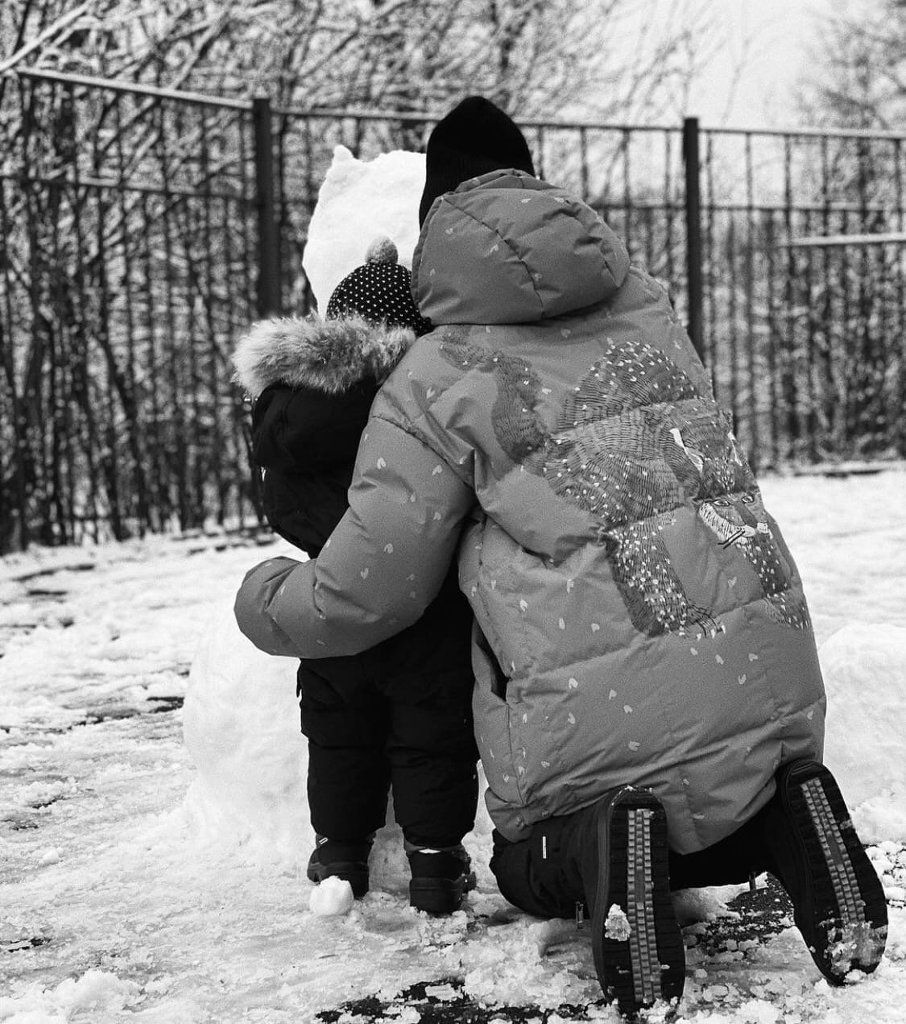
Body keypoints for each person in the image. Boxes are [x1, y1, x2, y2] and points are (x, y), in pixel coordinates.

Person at [234, 97, 887, 1017]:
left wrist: (265, 597)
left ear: (436, 234)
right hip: (769, 702)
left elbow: (368, 590)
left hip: (602, 742)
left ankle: (603, 843)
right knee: (733, 805)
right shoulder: (650, 311)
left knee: (531, 861)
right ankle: (791, 814)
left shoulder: (436, 373)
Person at [231, 236, 478, 915]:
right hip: (430, 605)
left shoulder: (287, 409)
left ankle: (338, 852)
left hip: (329, 603)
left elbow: (281, 503)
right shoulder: (418, 393)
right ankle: (434, 862)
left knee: (339, 734)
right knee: (433, 734)